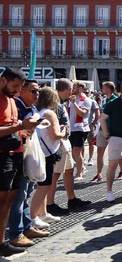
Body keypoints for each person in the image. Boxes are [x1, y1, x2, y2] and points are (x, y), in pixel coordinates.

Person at [0, 67, 44, 262]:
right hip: (3, 155)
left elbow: (11, 125)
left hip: (16, 151)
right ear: (3, 81)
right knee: (2, 201)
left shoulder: (11, 100)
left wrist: (22, 132)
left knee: (9, 200)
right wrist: (19, 127)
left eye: (19, 87)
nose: (17, 90)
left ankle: (2, 242)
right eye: (15, 86)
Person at [8, 79, 50, 248]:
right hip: (18, 153)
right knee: (19, 195)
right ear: (22, 91)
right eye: (33, 91)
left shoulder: (31, 108)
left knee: (27, 192)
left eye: (38, 91)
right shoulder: (16, 106)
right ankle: (16, 233)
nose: (36, 94)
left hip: (29, 153)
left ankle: (26, 227)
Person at [47, 78, 91, 215]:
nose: (72, 92)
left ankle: (71, 199)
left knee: (69, 170)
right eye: (71, 89)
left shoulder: (61, 103)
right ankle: (50, 204)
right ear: (67, 90)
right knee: (55, 174)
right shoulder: (56, 104)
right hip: (59, 141)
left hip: (64, 140)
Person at [30, 87, 67, 231]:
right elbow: (55, 135)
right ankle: (34, 217)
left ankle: (42, 213)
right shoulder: (50, 113)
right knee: (44, 185)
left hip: (41, 151)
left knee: (43, 184)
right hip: (47, 152)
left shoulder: (38, 112)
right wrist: (63, 131)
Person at [91, 81, 119, 183]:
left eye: (103, 87)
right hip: (102, 130)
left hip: (112, 131)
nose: (101, 89)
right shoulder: (104, 100)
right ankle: (99, 173)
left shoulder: (115, 100)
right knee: (99, 152)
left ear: (108, 88)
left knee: (116, 153)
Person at [68, 81, 92, 181]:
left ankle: (79, 173)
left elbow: (82, 113)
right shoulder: (70, 100)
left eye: (74, 87)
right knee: (73, 152)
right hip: (71, 128)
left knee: (76, 152)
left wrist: (74, 103)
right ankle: (82, 167)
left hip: (80, 129)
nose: (72, 89)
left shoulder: (86, 100)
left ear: (81, 88)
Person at [85, 92, 100, 166]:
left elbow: (97, 113)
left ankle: (90, 158)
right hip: (81, 126)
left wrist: (94, 123)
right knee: (80, 144)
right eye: (84, 92)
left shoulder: (92, 101)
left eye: (87, 92)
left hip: (90, 125)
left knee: (90, 142)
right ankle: (82, 159)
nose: (85, 93)